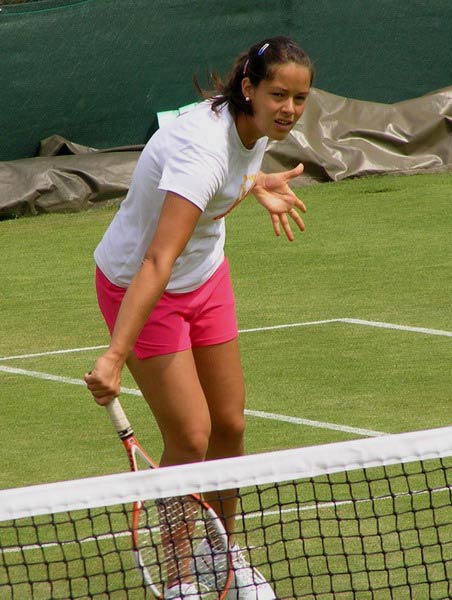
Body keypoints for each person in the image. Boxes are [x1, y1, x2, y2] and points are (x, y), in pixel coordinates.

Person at [84, 36, 314, 600]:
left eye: (299, 98)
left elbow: (233, 172)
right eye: (278, 95)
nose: (288, 108)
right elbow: (158, 259)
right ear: (248, 89)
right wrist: (115, 354)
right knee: (190, 436)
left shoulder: (253, 127)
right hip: (141, 285)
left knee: (229, 425)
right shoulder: (202, 150)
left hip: (206, 276)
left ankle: (223, 554)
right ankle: (182, 572)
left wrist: (256, 184)